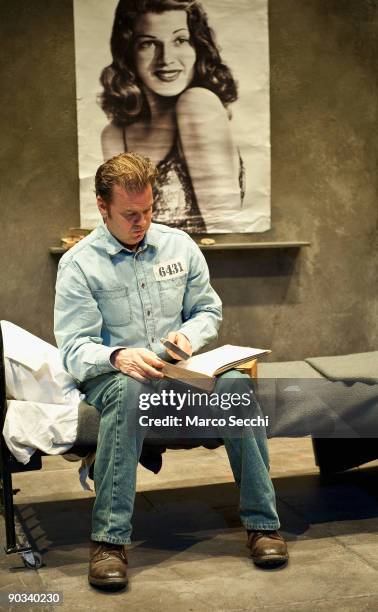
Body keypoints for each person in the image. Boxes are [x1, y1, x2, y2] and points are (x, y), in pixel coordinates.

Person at [54, 152, 288, 591]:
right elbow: (73, 348)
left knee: (238, 386)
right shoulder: (79, 265)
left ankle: (263, 525)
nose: (140, 221)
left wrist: (188, 338)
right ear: (102, 207)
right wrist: (118, 355)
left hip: (179, 371)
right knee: (128, 391)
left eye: (147, 211)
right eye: (129, 214)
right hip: (113, 376)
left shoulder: (180, 246)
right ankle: (109, 541)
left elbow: (207, 310)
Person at [99, 0, 244, 233]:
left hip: (205, 265)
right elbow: (119, 231)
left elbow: (224, 230)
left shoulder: (198, 104)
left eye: (180, 40)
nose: (166, 59)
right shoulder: (116, 133)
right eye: (148, 43)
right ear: (128, 53)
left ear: (197, 47)